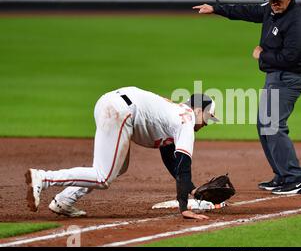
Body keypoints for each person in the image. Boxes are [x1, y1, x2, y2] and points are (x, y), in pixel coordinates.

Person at [193, 0, 301, 195]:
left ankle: (298, 179)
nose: (274, 4)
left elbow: (291, 58)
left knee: (273, 124)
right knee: (264, 124)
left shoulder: (298, 23)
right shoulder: (270, 8)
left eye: (278, 0)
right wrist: (216, 8)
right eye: (271, 0)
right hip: (275, 75)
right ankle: (283, 175)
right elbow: (247, 11)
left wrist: (262, 55)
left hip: (291, 77)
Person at [25, 87, 219, 220]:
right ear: (198, 110)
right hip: (121, 110)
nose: (205, 124)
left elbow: (171, 159)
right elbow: (184, 164)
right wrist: (184, 208)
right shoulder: (187, 120)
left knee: (118, 167)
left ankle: (65, 200)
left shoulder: (175, 113)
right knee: (103, 177)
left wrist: (192, 190)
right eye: (208, 118)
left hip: (111, 103)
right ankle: (43, 178)